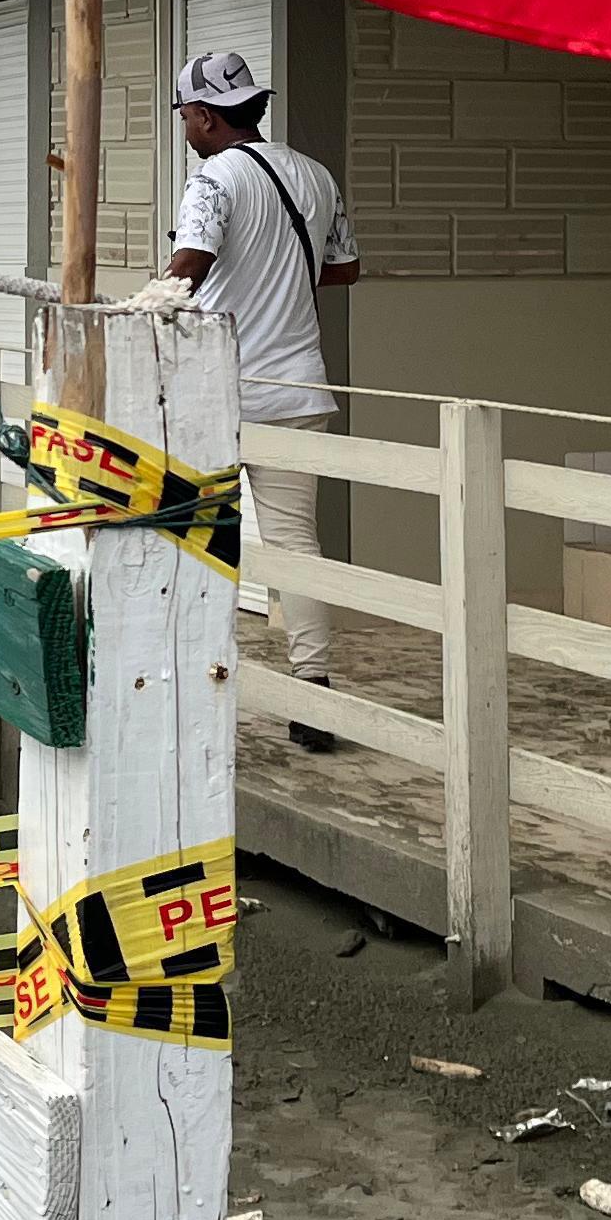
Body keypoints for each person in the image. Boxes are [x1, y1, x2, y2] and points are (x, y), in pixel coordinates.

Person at [162, 48, 362, 748]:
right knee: (294, 544)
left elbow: (189, 268)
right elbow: (346, 269)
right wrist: (275, 279)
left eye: (185, 115)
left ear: (209, 116)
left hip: (219, 389)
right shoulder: (314, 174)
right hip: (300, 384)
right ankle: (313, 697)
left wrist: (144, 304)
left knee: (196, 535)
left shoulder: (212, 179)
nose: (184, 127)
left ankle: (192, 682)